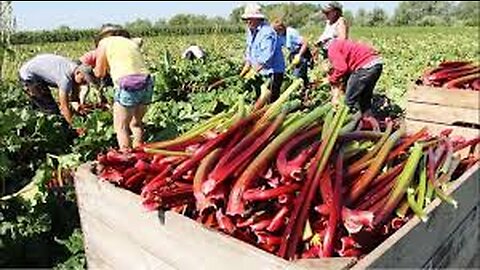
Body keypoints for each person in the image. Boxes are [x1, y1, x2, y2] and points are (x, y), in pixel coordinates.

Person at [93, 26, 153, 151]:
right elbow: (139, 40)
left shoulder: (103, 43)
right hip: (146, 81)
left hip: (127, 83)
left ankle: (127, 157)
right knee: (136, 123)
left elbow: (99, 73)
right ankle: (139, 150)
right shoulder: (129, 42)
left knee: (121, 127)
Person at [18, 53, 98, 127]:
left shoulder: (74, 68)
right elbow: (64, 107)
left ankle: (34, 122)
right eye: (83, 80)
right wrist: (75, 126)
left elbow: (75, 89)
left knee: (42, 104)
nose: (83, 83)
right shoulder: (65, 78)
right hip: (28, 76)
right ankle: (51, 133)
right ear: (78, 73)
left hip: (37, 72)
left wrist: (76, 104)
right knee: (51, 110)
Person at [319, 37, 383, 118]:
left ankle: (342, 122)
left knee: (349, 101)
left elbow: (342, 68)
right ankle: (369, 120)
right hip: (376, 64)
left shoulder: (332, 48)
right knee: (364, 99)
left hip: (365, 67)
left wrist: (331, 79)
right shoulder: (342, 43)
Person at [239, 3, 285, 102]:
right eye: (246, 19)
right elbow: (249, 49)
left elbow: (267, 56)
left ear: (257, 19)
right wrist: (247, 65)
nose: (247, 21)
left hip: (272, 72)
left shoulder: (267, 32)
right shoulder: (251, 31)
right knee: (259, 99)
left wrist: (254, 71)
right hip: (261, 73)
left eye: (249, 18)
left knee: (270, 101)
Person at [272, 19, 312, 88]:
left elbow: (305, 43)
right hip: (293, 54)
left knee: (296, 76)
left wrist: (299, 55)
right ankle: (306, 91)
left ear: (281, 29)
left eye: (277, 31)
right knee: (299, 76)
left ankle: (304, 91)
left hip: (302, 54)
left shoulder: (291, 32)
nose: (276, 33)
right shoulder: (280, 35)